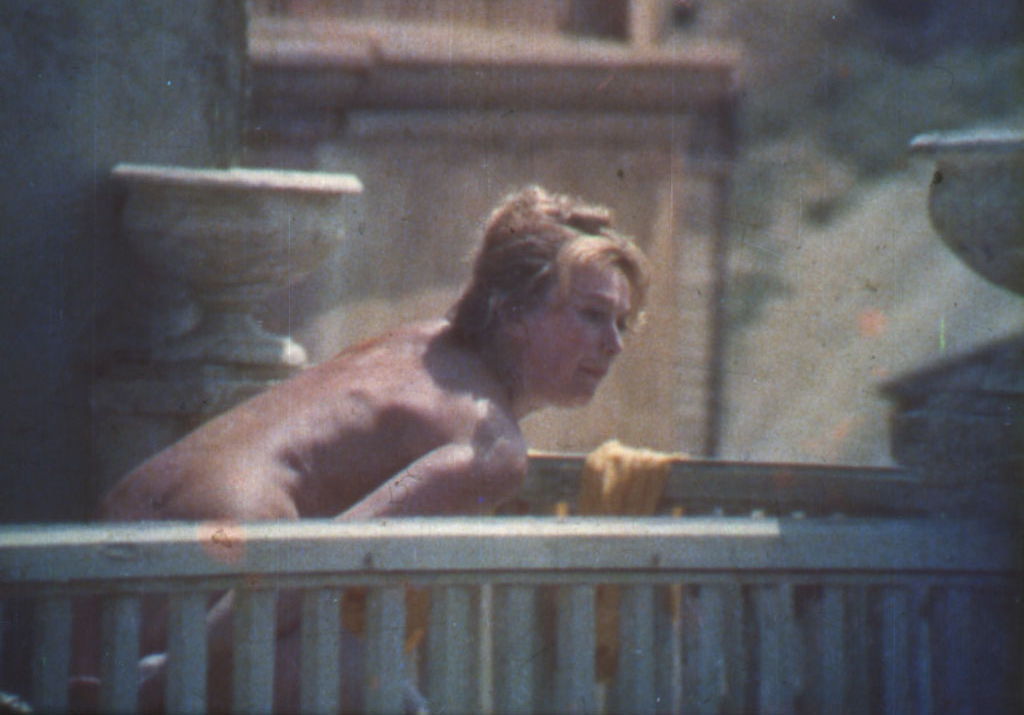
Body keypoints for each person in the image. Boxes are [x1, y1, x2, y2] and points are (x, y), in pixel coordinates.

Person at [74, 185, 651, 712]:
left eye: (623, 323)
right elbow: (327, 556)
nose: (615, 344)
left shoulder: (416, 343)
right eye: (592, 315)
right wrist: (164, 680)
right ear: (513, 312)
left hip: (112, 539)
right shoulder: (492, 446)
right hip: (216, 568)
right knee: (366, 676)